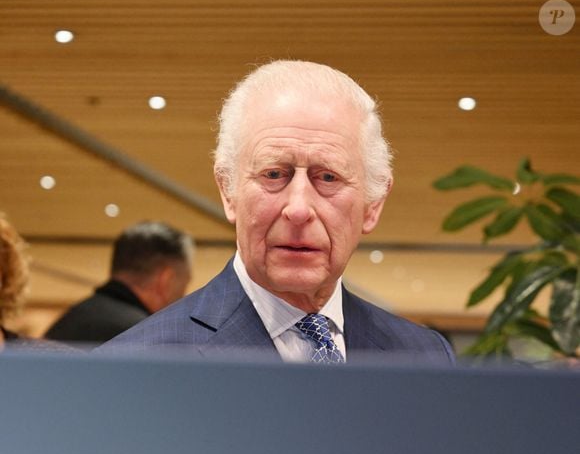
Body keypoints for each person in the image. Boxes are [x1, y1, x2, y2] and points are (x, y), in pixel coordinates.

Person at [99, 61, 454, 364]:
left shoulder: (426, 356)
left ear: (373, 205)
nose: (298, 209)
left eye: (328, 177)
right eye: (274, 174)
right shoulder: (138, 363)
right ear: (228, 191)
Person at [46, 221, 194, 345]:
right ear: (166, 280)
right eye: (184, 284)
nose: (184, 296)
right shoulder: (149, 338)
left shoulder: (65, 323)